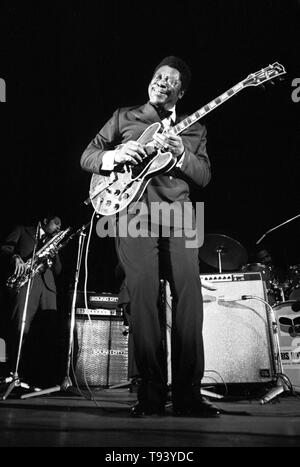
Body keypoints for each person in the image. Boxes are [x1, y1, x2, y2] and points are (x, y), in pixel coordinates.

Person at [80, 56, 220, 417]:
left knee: (190, 302)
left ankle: (188, 394)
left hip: (181, 216)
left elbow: (203, 176)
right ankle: (151, 395)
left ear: (180, 91)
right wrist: (114, 154)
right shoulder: (124, 117)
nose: (161, 81)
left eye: (170, 79)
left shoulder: (195, 129)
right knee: (142, 302)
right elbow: (88, 156)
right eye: (158, 76)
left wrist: (181, 155)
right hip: (132, 215)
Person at [0, 215, 63, 385]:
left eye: (60, 225)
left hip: (48, 289)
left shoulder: (53, 242)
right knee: (20, 328)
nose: (58, 227)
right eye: (55, 223)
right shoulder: (22, 230)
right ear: (44, 220)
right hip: (26, 284)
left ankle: (40, 377)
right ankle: (14, 373)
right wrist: (15, 257)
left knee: (48, 332)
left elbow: (58, 270)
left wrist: (54, 255)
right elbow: (5, 248)